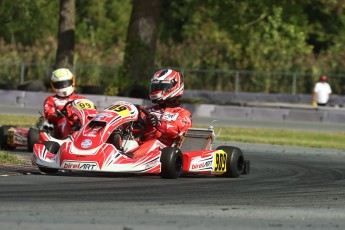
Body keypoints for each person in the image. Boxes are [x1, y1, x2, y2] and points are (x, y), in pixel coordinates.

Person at [137, 69, 192, 147]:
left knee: (152, 144)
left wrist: (159, 124)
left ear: (173, 86)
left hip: (164, 151)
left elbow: (178, 130)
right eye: (155, 87)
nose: (156, 90)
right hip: (142, 148)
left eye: (160, 87)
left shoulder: (183, 113)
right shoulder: (147, 110)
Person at [44, 68, 86, 138]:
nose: (63, 86)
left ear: (72, 81)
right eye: (60, 84)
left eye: (66, 83)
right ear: (53, 85)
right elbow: (49, 116)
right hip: (58, 129)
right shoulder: (51, 100)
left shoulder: (81, 99)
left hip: (79, 126)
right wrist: (59, 115)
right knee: (64, 121)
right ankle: (68, 140)